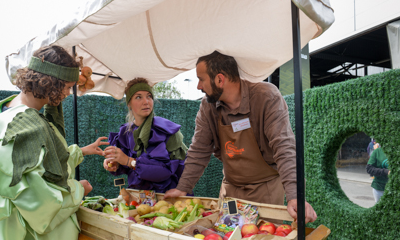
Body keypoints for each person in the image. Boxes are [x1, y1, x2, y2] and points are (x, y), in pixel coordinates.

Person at [0, 45, 108, 240]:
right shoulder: (30, 125)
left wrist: (80, 152)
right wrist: (80, 190)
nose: (68, 94)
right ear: (52, 83)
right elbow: (40, 202)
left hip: (0, 237)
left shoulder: (1, 110)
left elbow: (40, 160)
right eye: (67, 87)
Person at [164, 51, 317, 223]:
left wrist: (295, 195)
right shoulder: (208, 107)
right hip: (231, 191)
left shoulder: (266, 97)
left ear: (220, 80)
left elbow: (284, 148)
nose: (199, 86)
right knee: (228, 233)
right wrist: (183, 188)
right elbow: (199, 150)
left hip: (265, 191)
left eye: (201, 79)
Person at [103, 78, 187, 193]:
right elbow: (126, 166)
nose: (146, 101)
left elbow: (166, 171)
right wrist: (115, 164)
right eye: (138, 97)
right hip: (138, 200)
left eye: (149, 96)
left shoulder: (167, 131)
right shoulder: (125, 134)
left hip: (168, 200)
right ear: (129, 104)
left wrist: (129, 161)